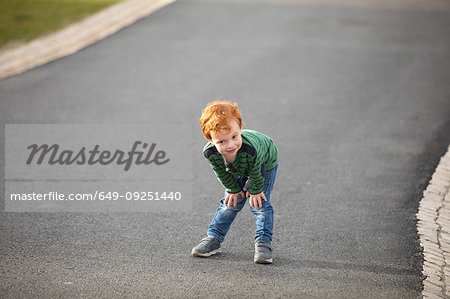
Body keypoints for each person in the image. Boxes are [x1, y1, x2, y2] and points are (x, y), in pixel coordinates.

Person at [191, 101, 279, 264]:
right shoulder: (210, 153)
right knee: (230, 203)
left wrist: (255, 189)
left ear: (239, 129)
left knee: (260, 204)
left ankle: (263, 243)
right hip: (235, 168)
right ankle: (214, 238)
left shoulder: (251, 148)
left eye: (234, 137)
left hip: (264, 164)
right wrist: (233, 189)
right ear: (211, 139)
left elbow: (257, 170)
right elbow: (221, 173)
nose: (230, 145)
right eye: (221, 142)